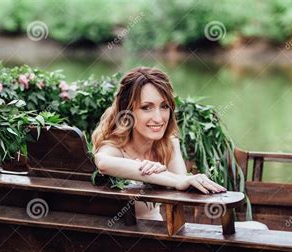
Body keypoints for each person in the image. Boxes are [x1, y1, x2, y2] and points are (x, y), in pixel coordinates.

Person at [91, 66, 228, 221]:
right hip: (122, 237)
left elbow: (180, 193)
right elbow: (102, 162)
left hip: (158, 234)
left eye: (164, 106)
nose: (158, 118)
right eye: (146, 108)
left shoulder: (169, 143)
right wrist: (150, 171)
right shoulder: (114, 145)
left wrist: (175, 179)